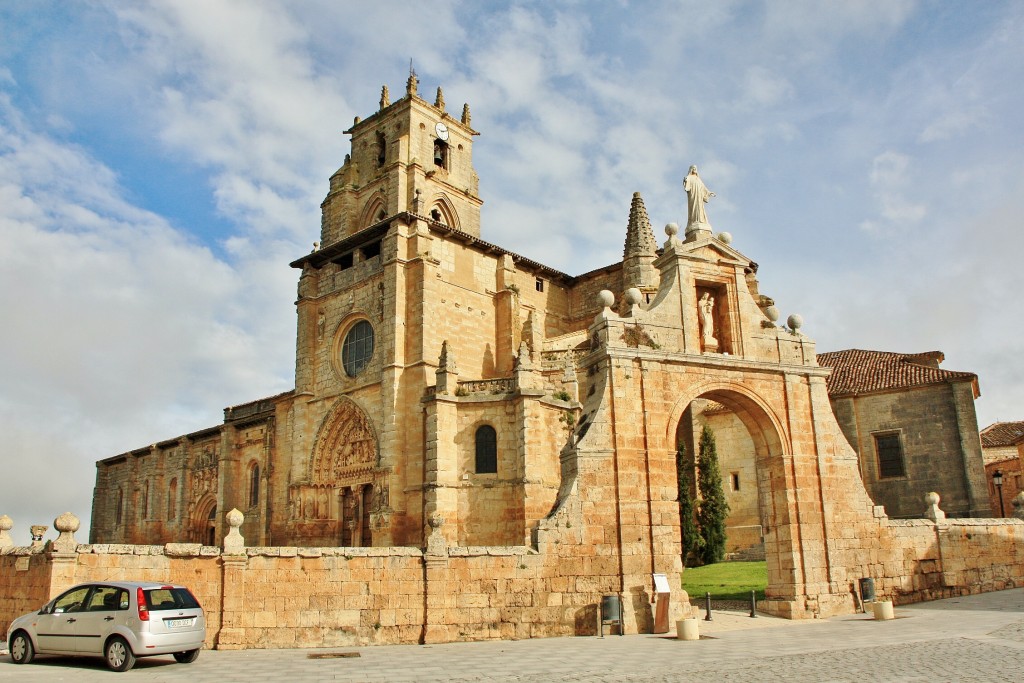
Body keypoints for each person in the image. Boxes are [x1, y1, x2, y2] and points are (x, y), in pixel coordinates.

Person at [684, 165, 715, 229]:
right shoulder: (689, 177)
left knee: (700, 208)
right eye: (693, 168)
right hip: (693, 195)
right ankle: (694, 221)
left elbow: (703, 188)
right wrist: (685, 181)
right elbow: (687, 185)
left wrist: (709, 193)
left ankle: (701, 221)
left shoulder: (698, 179)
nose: (694, 169)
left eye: (695, 168)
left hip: (699, 196)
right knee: (694, 208)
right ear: (691, 170)